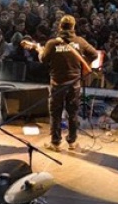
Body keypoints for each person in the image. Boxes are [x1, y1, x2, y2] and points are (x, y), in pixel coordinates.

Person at [35, 15, 99, 152]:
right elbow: (94, 54)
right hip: (74, 83)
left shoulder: (52, 43)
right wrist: (84, 64)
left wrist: (39, 51)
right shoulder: (80, 41)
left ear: (60, 26)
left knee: (56, 113)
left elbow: (43, 60)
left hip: (57, 83)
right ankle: (72, 142)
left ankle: (55, 143)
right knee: (73, 112)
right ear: (73, 27)